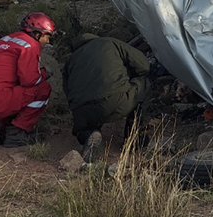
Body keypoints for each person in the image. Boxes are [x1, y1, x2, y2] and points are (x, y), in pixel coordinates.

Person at [0, 13, 56, 148]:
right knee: (43, 89)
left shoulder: (5, 40)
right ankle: (17, 133)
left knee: (10, 89)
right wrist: (44, 73)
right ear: (38, 34)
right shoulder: (30, 45)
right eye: (47, 36)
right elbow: (30, 80)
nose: (48, 41)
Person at [62, 33, 151, 161]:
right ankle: (134, 138)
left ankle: (89, 134)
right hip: (116, 100)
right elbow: (143, 65)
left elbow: (67, 91)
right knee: (145, 83)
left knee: (84, 127)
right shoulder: (109, 42)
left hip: (82, 111)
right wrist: (129, 77)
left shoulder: (70, 61)